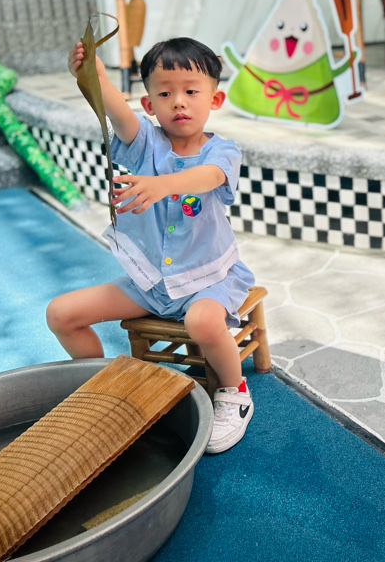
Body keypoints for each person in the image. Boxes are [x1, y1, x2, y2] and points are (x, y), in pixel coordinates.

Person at [47, 37, 256, 454]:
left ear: (215, 99)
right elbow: (116, 110)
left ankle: (235, 392)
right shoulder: (144, 144)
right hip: (152, 283)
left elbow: (209, 177)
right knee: (61, 314)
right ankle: (103, 387)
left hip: (209, 278)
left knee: (203, 322)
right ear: (149, 104)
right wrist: (93, 75)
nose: (178, 102)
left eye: (191, 91)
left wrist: (163, 185)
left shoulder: (222, 151)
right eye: (164, 93)